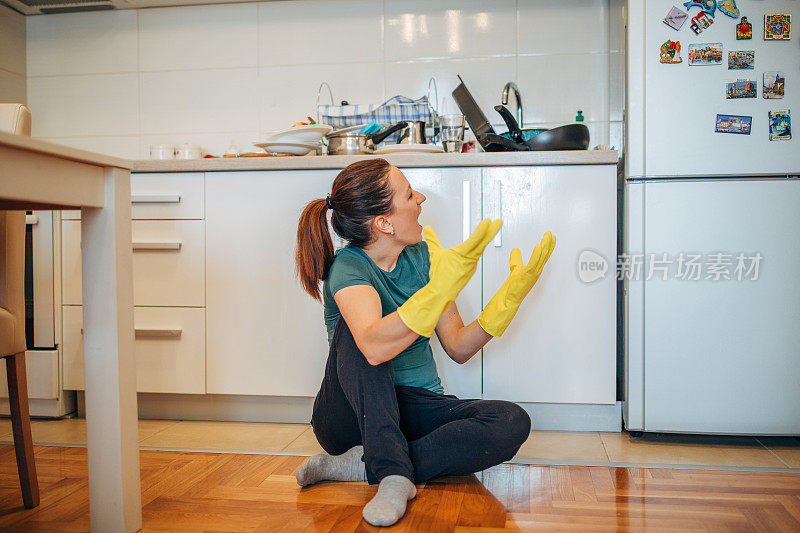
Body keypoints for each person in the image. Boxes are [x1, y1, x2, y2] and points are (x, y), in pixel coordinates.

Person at [294, 158, 555, 527]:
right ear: (384, 222)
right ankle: (393, 474)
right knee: (358, 336)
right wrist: (436, 291)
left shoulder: (423, 258)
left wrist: (507, 301)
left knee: (510, 421)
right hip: (351, 415)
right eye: (409, 194)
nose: (420, 200)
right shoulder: (348, 268)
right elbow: (372, 347)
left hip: (414, 408)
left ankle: (367, 463)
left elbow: (459, 347)